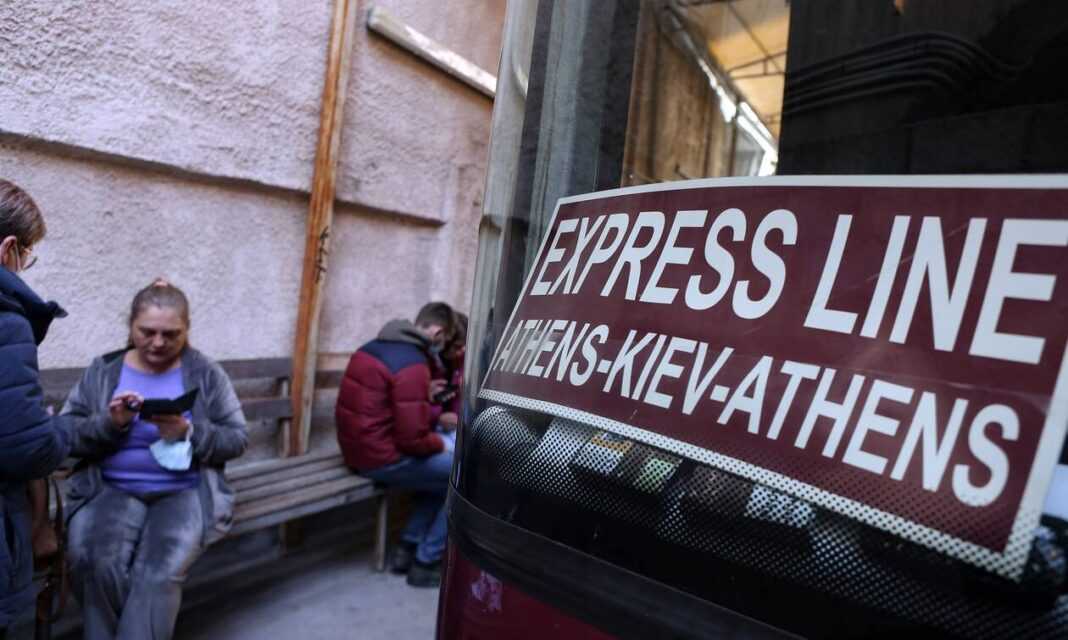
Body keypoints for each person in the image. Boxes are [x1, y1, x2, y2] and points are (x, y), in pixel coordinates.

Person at [62, 280, 248, 639]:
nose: (158, 342)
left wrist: (190, 432)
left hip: (184, 490)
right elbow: (67, 431)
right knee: (96, 562)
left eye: (171, 334)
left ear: (187, 329)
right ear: (130, 325)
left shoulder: (206, 373)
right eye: (147, 332)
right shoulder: (103, 370)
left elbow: (237, 438)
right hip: (110, 488)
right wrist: (110, 423)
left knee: (158, 574)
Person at [335, 302, 457, 587]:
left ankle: (407, 548)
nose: (443, 347)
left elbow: (382, 406)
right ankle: (426, 562)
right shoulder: (413, 363)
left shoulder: (371, 348)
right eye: (446, 340)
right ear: (438, 332)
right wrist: (442, 445)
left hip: (357, 451)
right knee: (461, 478)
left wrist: (423, 394)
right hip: (381, 459)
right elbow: (413, 440)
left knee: (440, 482)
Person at [0, 179, 71, 638]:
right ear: (9, 249)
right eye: (27, 255)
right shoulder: (7, 319)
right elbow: (27, 449)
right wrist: (56, 430)